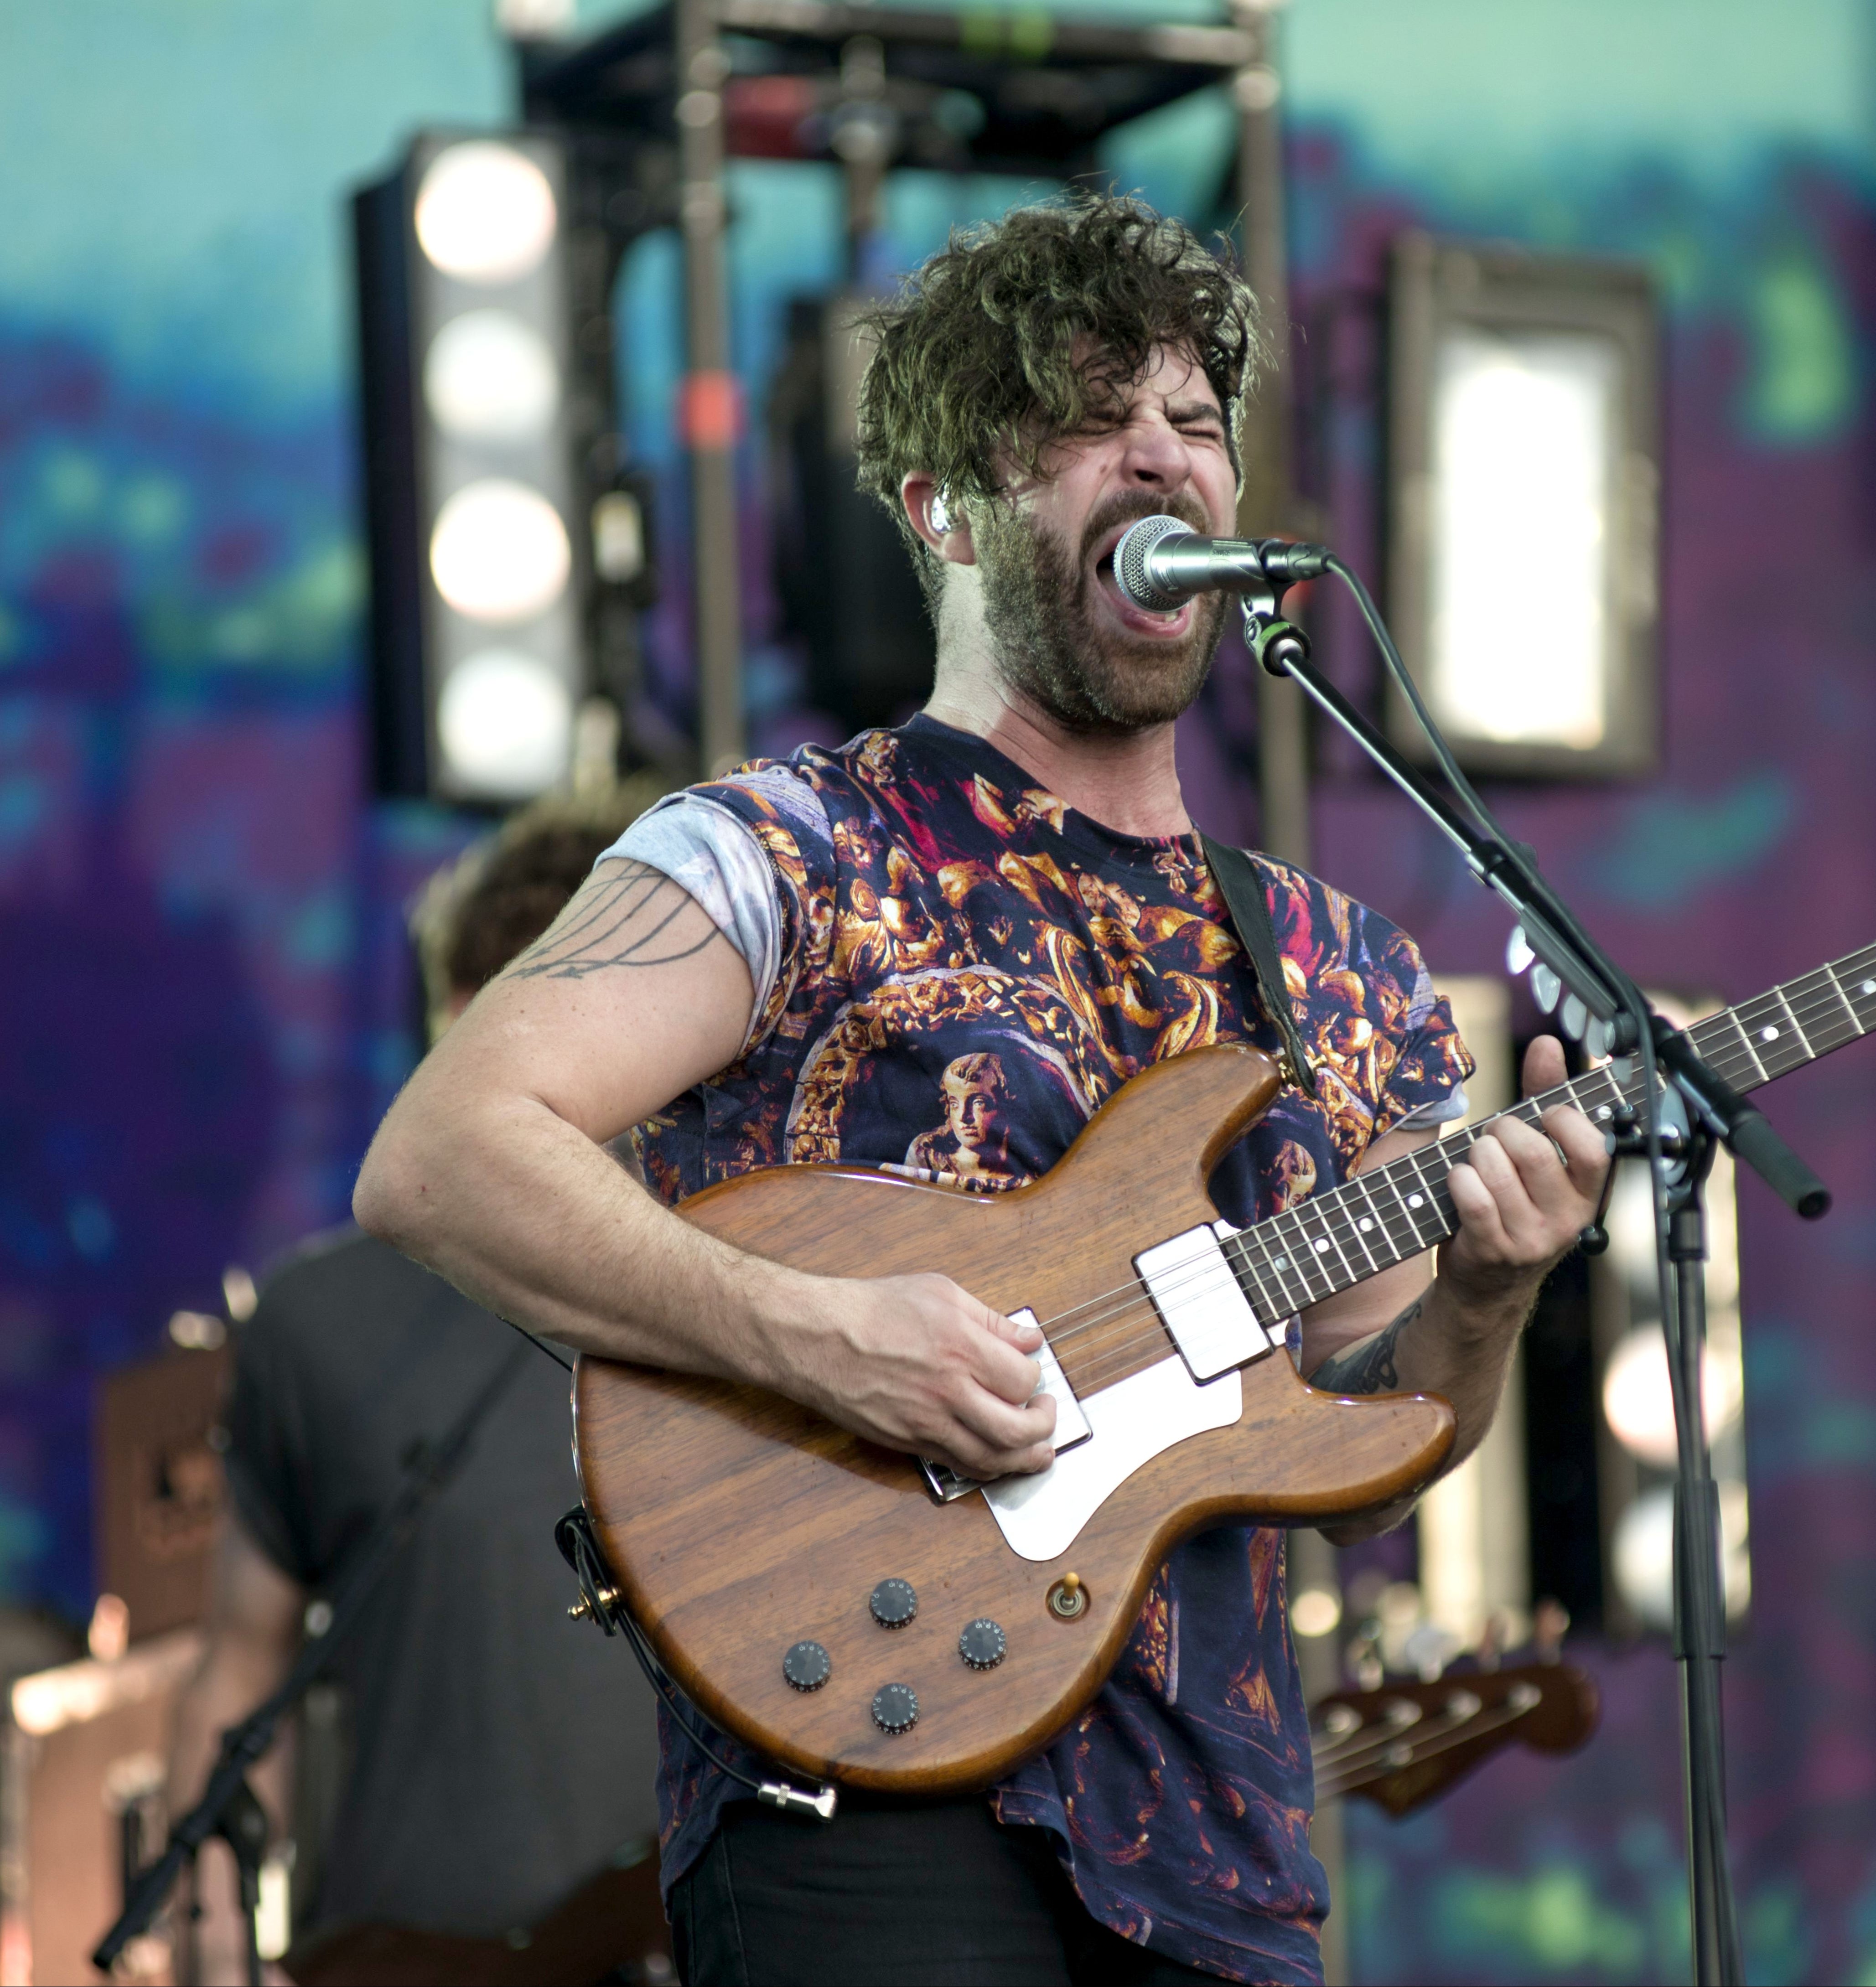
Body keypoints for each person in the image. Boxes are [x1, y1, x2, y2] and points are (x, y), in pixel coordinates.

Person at [353, 195, 1611, 1987]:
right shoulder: (786, 851)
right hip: (853, 1782)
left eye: (1191, 421)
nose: (1159, 458)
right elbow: (443, 1157)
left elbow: (1364, 1439)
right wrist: (813, 1334)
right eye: (1094, 421)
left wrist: (1491, 1293)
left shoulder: (1337, 968)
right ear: (944, 508)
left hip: (1222, 1849)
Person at [169, 800, 663, 1983]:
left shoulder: (762, 1281)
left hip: (684, 1922)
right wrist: (211, 1937)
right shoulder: (312, 1323)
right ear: (453, 1020)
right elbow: (241, 1661)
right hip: (398, 1951)